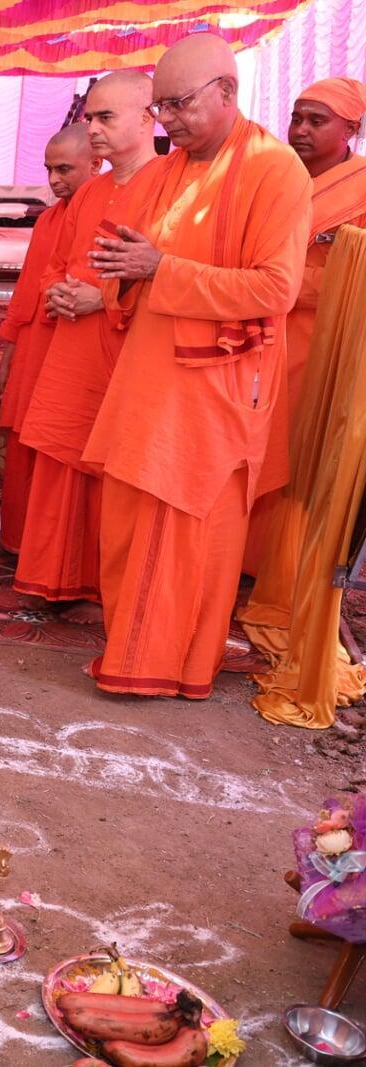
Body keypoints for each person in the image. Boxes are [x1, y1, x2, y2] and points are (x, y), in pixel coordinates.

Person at [83, 33, 310, 699]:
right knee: (130, 520)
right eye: (160, 109)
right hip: (147, 376)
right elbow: (123, 267)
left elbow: (276, 289)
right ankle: (126, 650)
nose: (169, 121)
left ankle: (177, 667)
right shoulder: (161, 172)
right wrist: (121, 277)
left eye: (179, 104)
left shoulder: (275, 170)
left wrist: (163, 269)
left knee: (190, 533)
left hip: (218, 383)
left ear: (227, 93)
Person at [238, 76, 366, 723]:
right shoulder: (277, 175)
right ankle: (240, 566)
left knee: (295, 467)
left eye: (318, 120)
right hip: (262, 334)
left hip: (322, 347)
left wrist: (333, 245)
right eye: (296, 116)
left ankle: (278, 581)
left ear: (351, 131)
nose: (302, 129)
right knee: (251, 450)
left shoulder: (362, 185)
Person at [14, 76, 157, 621]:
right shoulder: (91, 193)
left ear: (147, 117)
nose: (93, 128)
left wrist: (102, 298)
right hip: (70, 341)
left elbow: (171, 269)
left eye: (105, 118)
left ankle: (104, 587)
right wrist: (58, 290)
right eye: (90, 118)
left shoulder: (170, 183)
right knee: (61, 454)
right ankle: (59, 578)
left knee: (109, 464)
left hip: (126, 347)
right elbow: (56, 261)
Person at [0, 125, 99, 557]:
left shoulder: (108, 213)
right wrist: (9, 352)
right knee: (22, 438)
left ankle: (52, 552)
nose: (54, 180)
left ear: (96, 164)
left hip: (73, 350)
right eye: (49, 169)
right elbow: (25, 292)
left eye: (64, 169)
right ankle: (18, 540)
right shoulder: (49, 218)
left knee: (60, 445)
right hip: (35, 344)